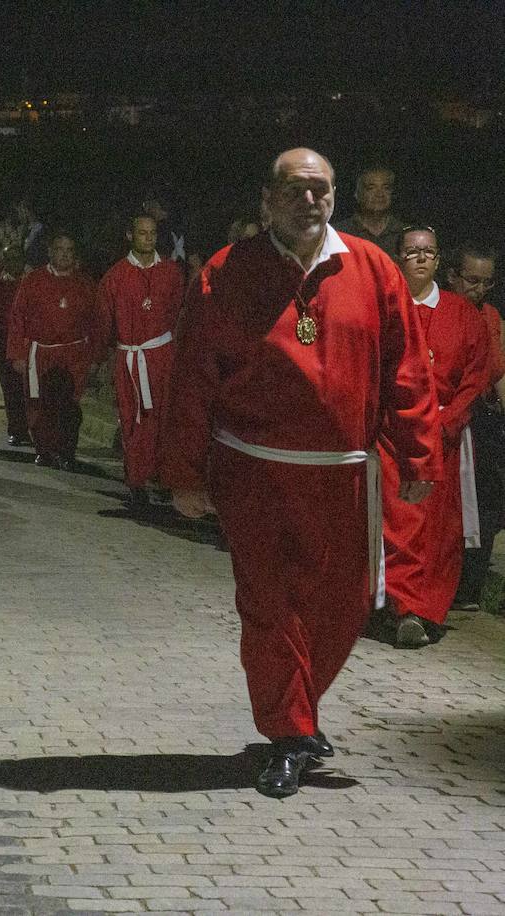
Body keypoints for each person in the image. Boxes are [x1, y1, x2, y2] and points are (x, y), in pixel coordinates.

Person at [160, 149, 440, 798]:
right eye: (295, 189)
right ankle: (289, 733)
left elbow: (406, 370)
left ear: (335, 197)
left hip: (342, 476)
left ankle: (301, 713)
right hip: (255, 473)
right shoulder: (229, 272)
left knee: (343, 607)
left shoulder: (371, 269)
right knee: (272, 606)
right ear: (267, 200)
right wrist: (183, 472)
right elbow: (194, 378)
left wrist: (420, 454)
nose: (308, 200)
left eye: (320, 189)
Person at [378, 226, 493, 649]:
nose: (422, 258)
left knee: (441, 528)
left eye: (429, 252)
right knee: (401, 520)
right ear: (399, 259)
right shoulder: (385, 306)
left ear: (440, 261)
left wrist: (450, 420)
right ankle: (403, 606)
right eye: (412, 252)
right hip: (394, 433)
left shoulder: (462, 313)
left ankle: (428, 608)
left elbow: (477, 374)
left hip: (444, 434)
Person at [95, 214, 187, 507]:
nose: (147, 238)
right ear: (130, 236)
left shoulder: (171, 272)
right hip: (130, 359)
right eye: (142, 233)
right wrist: (103, 359)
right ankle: (136, 479)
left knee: (164, 419)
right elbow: (104, 323)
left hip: (162, 356)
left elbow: (177, 313)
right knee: (133, 420)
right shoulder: (115, 276)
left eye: (152, 233)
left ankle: (163, 478)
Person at [6, 232, 96, 470]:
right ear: (50, 251)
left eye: (69, 250)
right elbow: (18, 317)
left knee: (70, 405)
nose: (64, 255)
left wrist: (95, 356)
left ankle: (66, 451)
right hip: (41, 352)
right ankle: (44, 449)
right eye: (59, 249)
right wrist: (17, 353)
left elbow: (95, 320)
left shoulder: (84, 283)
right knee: (39, 403)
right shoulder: (33, 280)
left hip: (73, 353)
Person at [449, 244, 505, 610]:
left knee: (486, 502)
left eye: (486, 282)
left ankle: (469, 588)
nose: (478, 289)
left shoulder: (491, 316)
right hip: (447, 413)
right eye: (471, 280)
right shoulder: (441, 311)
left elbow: (498, 375)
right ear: (453, 276)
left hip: (481, 419)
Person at [0, 245, 29, 446]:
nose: (14, 263)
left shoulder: (32, 284)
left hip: (29, 344)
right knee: (11, 390)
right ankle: (17, 429)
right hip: (4, 345)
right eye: (10, 258)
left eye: (18, 258)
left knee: (30, 390)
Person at [332, 166, 402, 255]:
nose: (379, 194)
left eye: (386, 188)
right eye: (371, 188)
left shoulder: (405, 234)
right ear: (357, 194)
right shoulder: (338, 233)